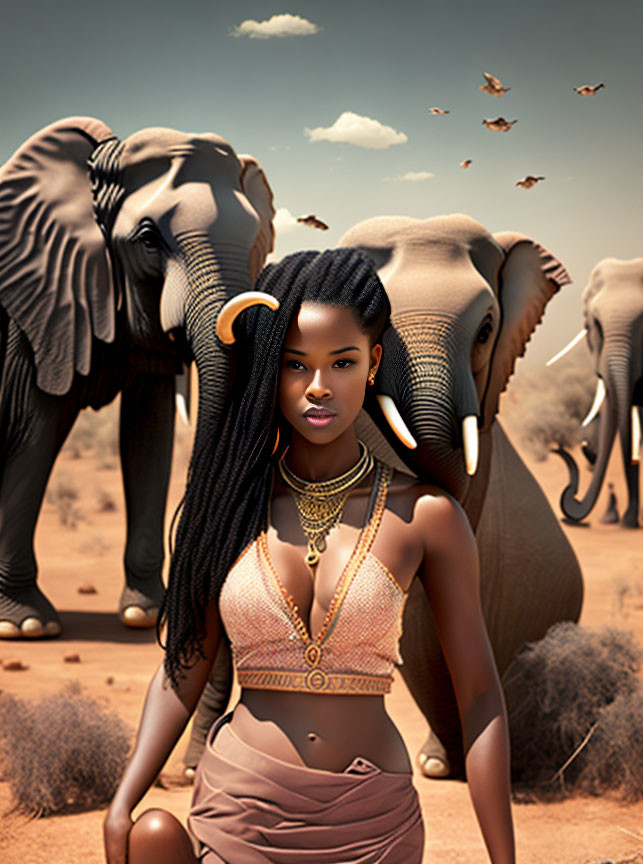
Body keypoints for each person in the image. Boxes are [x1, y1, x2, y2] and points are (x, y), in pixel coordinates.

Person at [103, 248, 515, 864]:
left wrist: (504, 860)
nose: (318, 387)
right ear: (271, 367)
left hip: (371, 820)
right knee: (154, 836)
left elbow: (481, 698)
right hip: (242, 809)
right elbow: (183, 665)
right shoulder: (230, 503)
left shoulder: (426, 516)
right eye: (296, 365)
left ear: (373, 363)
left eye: (341, 362)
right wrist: (123, 800)